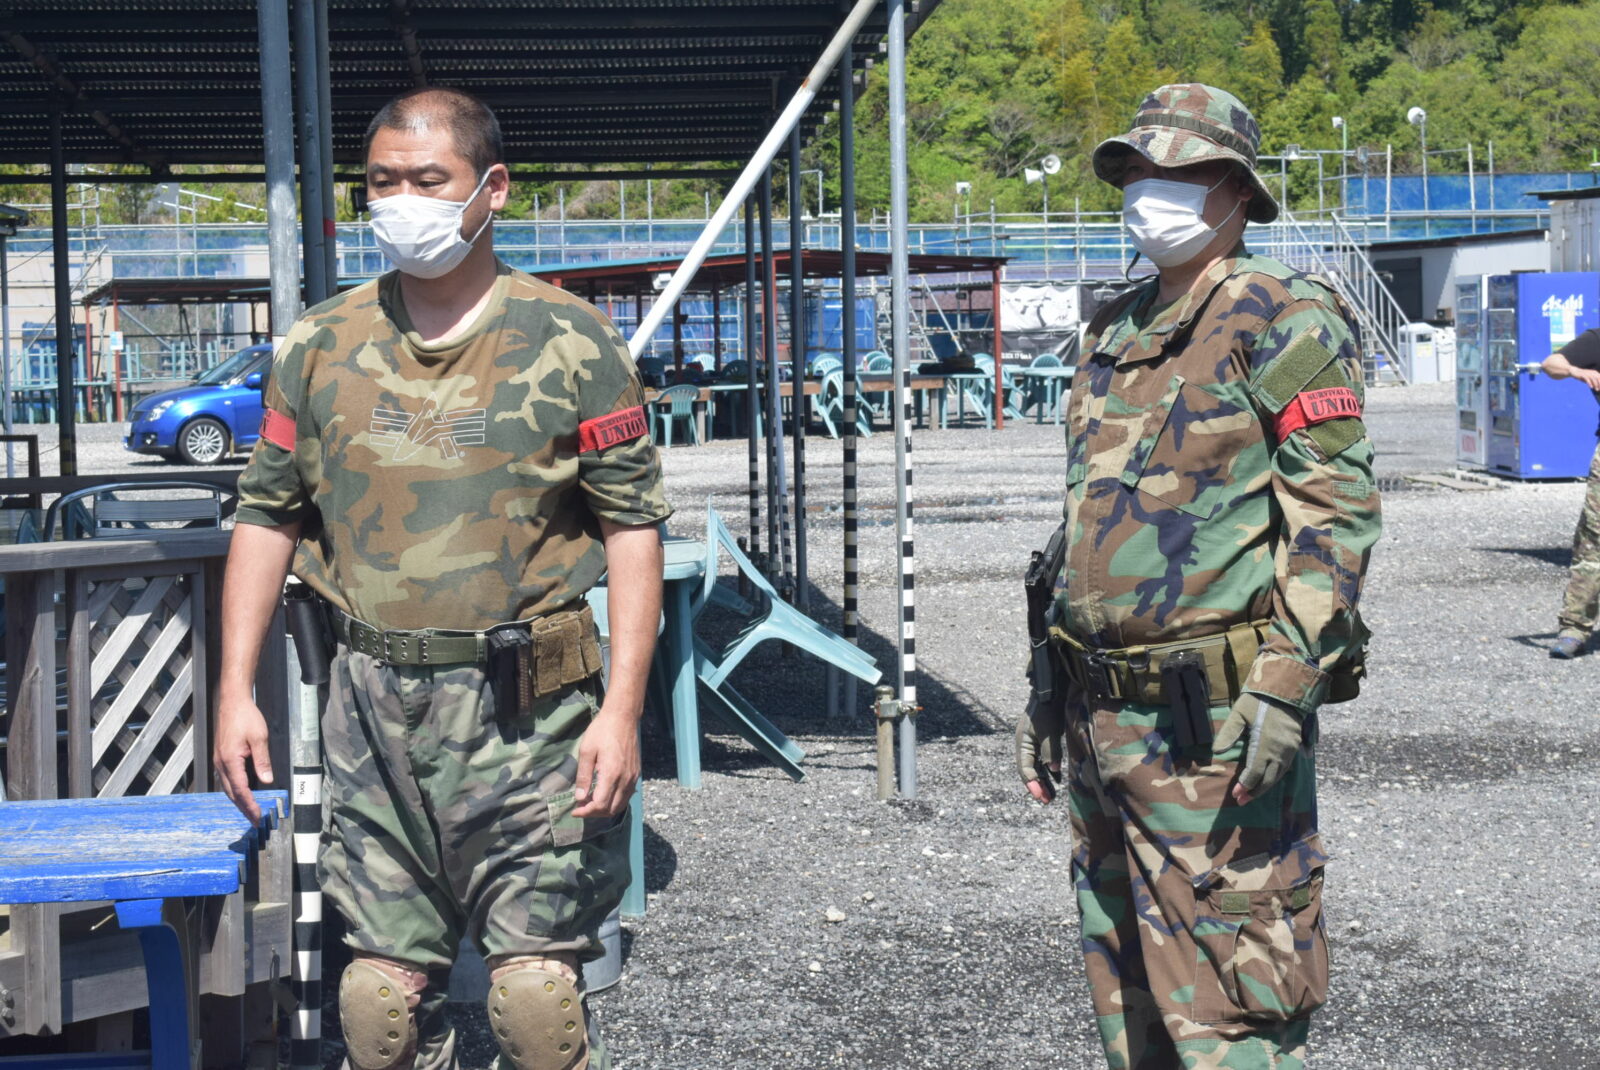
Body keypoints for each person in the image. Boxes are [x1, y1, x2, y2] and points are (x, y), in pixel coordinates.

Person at [212, 87, 670, 1070]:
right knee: (376, 1007)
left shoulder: (573, 341)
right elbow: (267, 514)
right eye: (382, 182)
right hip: (370, 706)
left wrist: (623, 710)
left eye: (429, 180)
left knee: (535, 1006)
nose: (402, 202)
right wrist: (234, 688)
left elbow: (632, 528)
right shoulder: (319, 345)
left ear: (491, 188)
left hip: (529, 704)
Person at [1015, 84, 1381, 1069]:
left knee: (1232, 1005)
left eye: (1176, 171)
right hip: (1101, 718)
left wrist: (1287, 682)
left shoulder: (1283, 313)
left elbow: (1335, 513)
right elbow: (1085, 522)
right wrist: (1046, 688)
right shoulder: (1112, 326)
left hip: (1213, 724)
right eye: (1136, 170)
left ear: (1235, 192)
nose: (1149, 190)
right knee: (1128, 994)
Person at [1541, 330, 1600, 658]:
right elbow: (1551, 364)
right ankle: (1574, 628)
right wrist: (1576, 371)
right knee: (1593, 543)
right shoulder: (1596, 340)